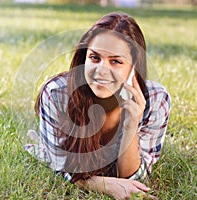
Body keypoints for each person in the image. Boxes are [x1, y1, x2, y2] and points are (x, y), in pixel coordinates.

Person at [25, 12, 171, 199]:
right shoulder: (56, 94)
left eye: (116, 61)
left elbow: (132, 176)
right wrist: (103, 184)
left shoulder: (157, 100)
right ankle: (42, 144)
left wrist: (130, 125)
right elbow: (60, 165)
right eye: (94, 58)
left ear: (134, 67)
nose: (101, 71)